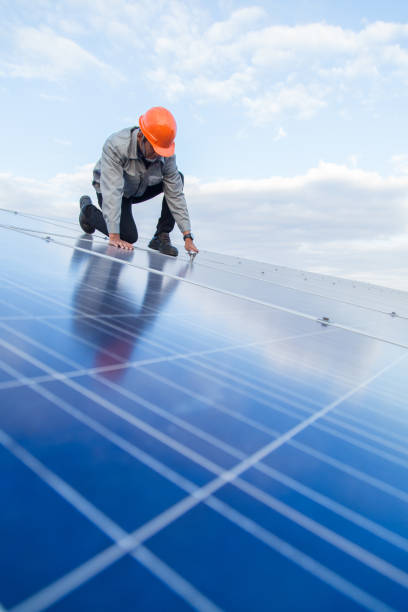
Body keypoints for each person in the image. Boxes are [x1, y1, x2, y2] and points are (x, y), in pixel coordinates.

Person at [78, 106, 199, 257]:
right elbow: (112, 189)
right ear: (142, 137)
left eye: (161, 151)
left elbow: (175, 193)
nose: (157, 155)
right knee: (128, 237)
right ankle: (88, 211)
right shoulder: (117, 145)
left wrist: (187, 235)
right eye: (154, 149)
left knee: (177, 178)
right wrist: (114, 235)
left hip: (137, 189)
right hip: (109, 188)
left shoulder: (166, 155)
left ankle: (160, 237)